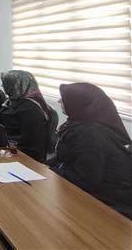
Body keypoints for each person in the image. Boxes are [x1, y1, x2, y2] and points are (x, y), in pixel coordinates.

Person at [47, 83, 132, 220]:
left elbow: (85, 181)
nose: (59, 101)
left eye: (63, 99)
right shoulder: (76, 123)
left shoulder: (89, 134)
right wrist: (43, 165)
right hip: (90, 191)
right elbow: (65, 156)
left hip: (110, 204)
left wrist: (51, 170)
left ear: (78, 103)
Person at [0, 70, 48, 162]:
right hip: (9, 146)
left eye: (6, 84)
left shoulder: (31, 109)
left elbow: (27, 139)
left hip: (27, 154)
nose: (2, 86)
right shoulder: (12, 100)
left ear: (17, 86)